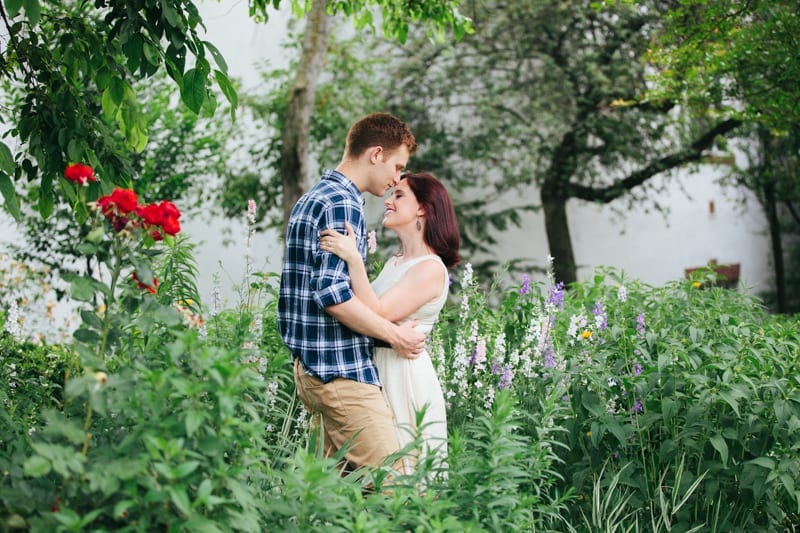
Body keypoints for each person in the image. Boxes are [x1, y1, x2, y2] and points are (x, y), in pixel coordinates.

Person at [278, 112, 427, 476]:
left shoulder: (314, 197)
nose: (396, 178)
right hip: (340, 374)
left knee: (333, 500)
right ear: (375, 154)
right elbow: (331, 294)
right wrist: (395, 336)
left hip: (313, 370)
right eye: (396, 165)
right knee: (396, 492)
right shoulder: (342, 204)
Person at [319, 172, 460, 474]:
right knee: (369, 468)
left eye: (399, 195)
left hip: (403, 376)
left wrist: (354, 260)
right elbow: (364, 310)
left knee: (402, 467)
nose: (388, 200)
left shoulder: (431, 269)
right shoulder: (397, 261)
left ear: (422, 208)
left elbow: (378, 312)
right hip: (378, 367)